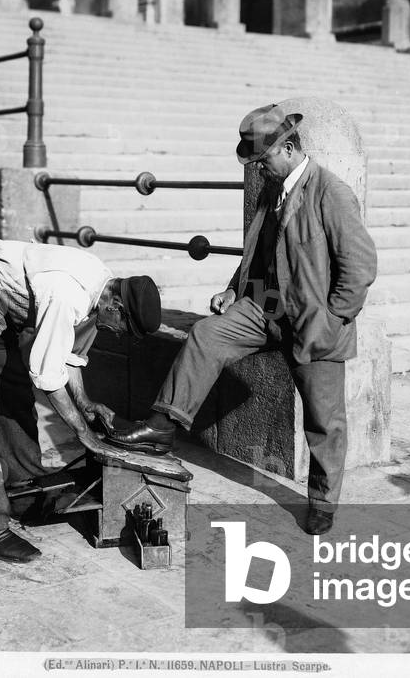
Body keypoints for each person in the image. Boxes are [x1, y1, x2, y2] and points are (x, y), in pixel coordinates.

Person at [108, 103, 377, 536]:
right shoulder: (274, 190)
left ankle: (323, 503)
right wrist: (234, 289)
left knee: (325, 420)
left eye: (263, 159)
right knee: (206, 334)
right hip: (263, 309)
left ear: (288, 148)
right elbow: (257, 252)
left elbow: (360, 268)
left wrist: (332, 318)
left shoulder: (332, 193)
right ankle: (163, 425)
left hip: (314, 323)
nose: (258, 169)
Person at [0, 236, 162, 564]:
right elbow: (46, 375)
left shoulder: (103, 288)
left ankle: (25, 492)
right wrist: (82, 432)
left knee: (14, 397)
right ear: (116, 306)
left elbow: (68, 356)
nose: (119, 334)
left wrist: (85, 404)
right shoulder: (68, 294)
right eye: (124, 328)